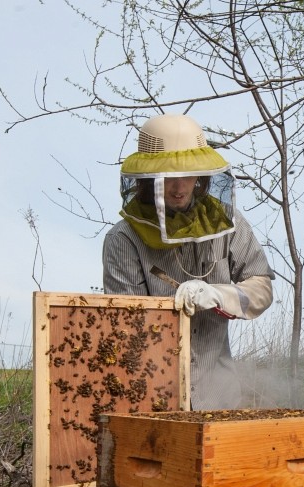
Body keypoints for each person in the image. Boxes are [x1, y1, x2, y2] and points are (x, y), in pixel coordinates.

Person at [103, 113, 274, 409]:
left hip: (219, 395)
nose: (179, 187)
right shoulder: (124, 238)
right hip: (153, 395)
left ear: (202, 175)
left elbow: (261, 287)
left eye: (188, 174)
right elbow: (127, 326)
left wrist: (220, 294)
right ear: (148, 179)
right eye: (168, 177)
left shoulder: (226, 223)